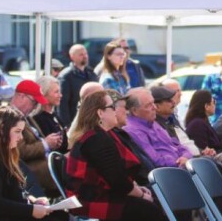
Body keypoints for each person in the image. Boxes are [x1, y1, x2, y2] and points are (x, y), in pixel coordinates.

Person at [65, 91, 165, 221]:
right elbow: (118, 181)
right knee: (149, 208)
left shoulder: (103, 135)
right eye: (112, 107)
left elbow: (119, 177)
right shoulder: (96, 139)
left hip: (102, 193)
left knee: (156, 200)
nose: (115, 111)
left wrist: (137, 189)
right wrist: (140, 194)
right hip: (88, 200)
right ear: (100, 113)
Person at [0, 106, 66, 221]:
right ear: (2, 129)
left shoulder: (0, 154)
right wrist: (31, 210)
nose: (20, 137)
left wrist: (33, 201)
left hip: (13, 215)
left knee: (62, 215)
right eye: (17, 132)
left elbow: (13, 193)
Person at [13, 80, 62, 196]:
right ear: (21, 96)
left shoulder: (26, 117)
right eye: (34, 102)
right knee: (74, 169)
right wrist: (45, 144)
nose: (35, 107)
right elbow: (19, 151)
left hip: (42, 165)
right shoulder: (10, 118)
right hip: (30, 172)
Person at [123, 88, 192, 168]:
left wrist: (185, 156)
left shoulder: (152, 122)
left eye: (153, 103)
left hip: (181, 166)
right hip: (169, 174)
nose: (155, 108)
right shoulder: (133, 131)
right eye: (148, 105)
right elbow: (156, 161)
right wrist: (179, 161)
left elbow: (177, 145)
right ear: (135, 111)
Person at [107, 89, 154, 186]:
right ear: (113, 110)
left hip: (151, 182)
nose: (127, 112)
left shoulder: (121, 133)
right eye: (124, 107)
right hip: (143, 188)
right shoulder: (109, 137)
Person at [58, 44, 98, 127]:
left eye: (85, 53)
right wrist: (67, 125)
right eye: (81, 54)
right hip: (75, 121)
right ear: (72, 57)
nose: (85, 56)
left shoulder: (91, 74)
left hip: (91, 120)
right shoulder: (66, 76)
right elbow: (62, 104)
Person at [33, 76, 68, 153]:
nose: (60, 95)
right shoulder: (39, 119)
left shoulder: (54, 116)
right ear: (44, 94)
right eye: (56, 92)